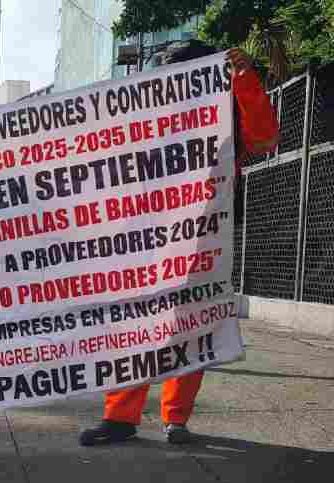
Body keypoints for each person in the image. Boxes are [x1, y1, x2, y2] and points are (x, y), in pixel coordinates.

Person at [81, 43, 279, 447]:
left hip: (202, 238)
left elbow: (263, 139)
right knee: (134, 322)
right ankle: (120, 417)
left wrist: (244, 79)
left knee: (192, 322)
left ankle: (176, 419)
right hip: (141, 236)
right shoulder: (142, 116)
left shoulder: (228, 112)